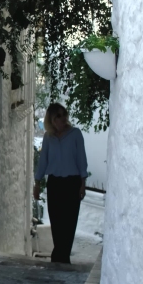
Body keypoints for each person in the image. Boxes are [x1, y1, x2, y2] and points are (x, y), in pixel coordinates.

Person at [33, 103, 88, 264]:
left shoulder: (75, 134)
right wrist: (37, 183)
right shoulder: (48, 138)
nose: (63, 118)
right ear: (51, 120)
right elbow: (43, 162)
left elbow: (81, 159)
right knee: (56, 222)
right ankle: (60, 258)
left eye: (64, 114)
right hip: (55, 184)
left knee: (69, 223)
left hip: (72, 183)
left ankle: (61, 258)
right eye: (58, 116)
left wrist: (82, 183)